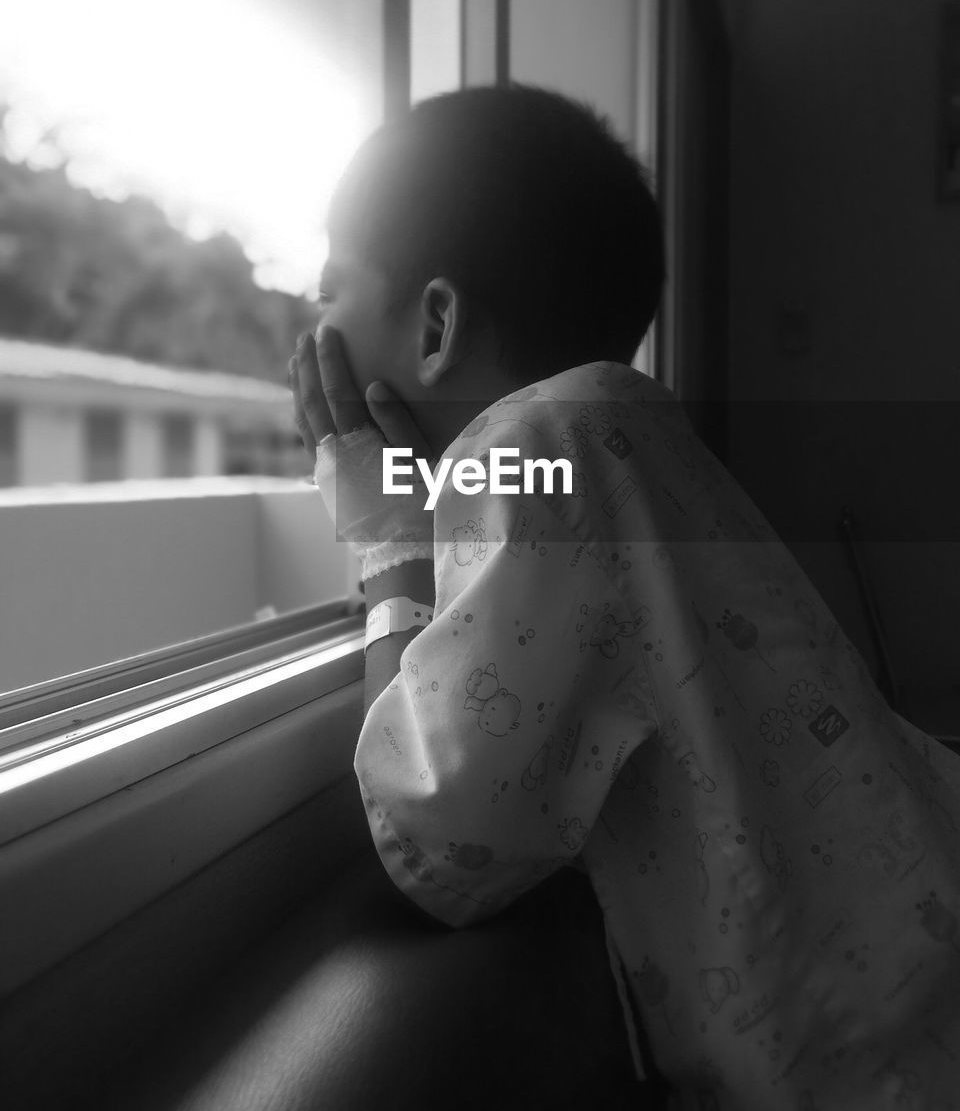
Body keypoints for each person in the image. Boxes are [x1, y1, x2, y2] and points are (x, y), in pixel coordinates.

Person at [289, 84, 960, 1110]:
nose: (313, 330)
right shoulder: (628, 439)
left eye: (330, 292)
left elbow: (436, 828)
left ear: (435, 324)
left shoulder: (528, 451)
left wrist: (386, 537)